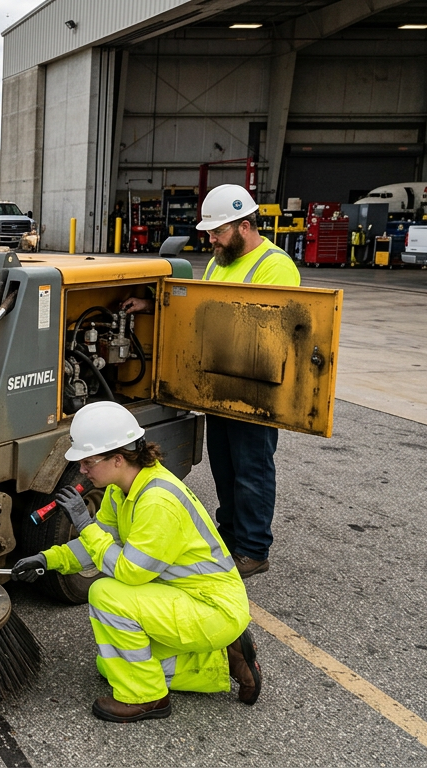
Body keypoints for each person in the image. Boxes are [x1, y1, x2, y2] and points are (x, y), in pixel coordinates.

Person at [12, 401, 261, 722]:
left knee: (106, 595)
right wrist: (47, 559)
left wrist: (84, 525)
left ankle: (147, 698)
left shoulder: (157, 501)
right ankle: (223, 661)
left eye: (88, 461)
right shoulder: (122, 490)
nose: (82, 470)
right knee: (113, 663)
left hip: (212, 607)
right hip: (186, 600)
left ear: (118, 459)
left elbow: (131, 572)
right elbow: (96, 545)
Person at [121, 183, 299, 578]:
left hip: (255, 390)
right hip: (221, 384)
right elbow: (199, 306)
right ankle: (229, 536)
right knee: (224, 466)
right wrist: (153, 304)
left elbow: (269, 330)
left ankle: (253, 549)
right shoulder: (222, 260)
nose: (212, 239)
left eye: (218, 232)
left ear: (246, 226)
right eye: (210, 233)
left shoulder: (275, 265)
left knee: (251, 470)